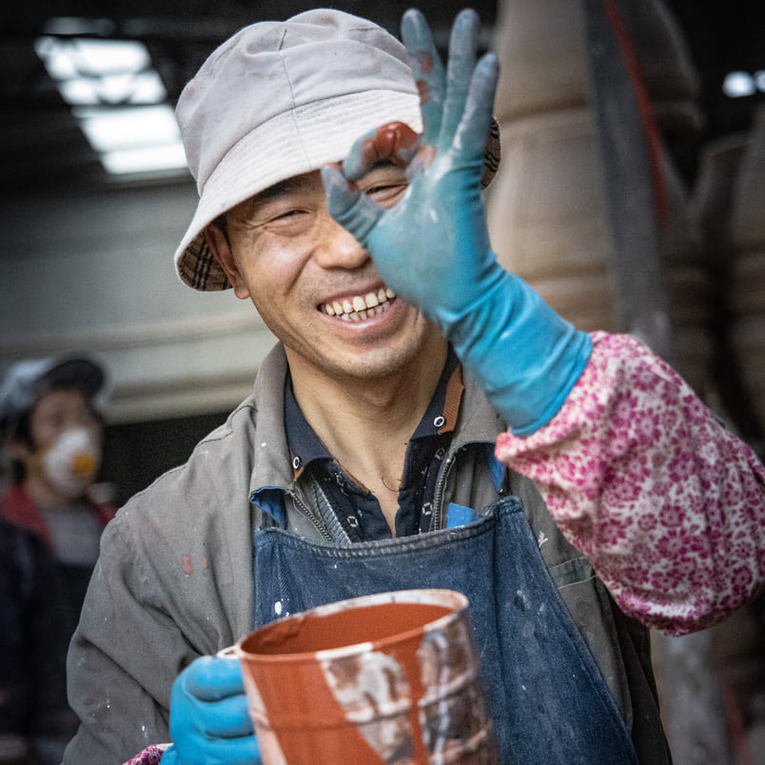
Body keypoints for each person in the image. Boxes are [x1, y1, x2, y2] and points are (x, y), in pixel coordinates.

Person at [62, 8, 765, 765]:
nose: (344, 244)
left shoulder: (576, 418)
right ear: (229, 262)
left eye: (382, 187)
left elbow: (720, 570)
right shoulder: (163, 546)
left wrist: (500, 319)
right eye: (288, 213)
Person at [0, 355, 115, 764]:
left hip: (114, 736)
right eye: (56, 420)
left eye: (84, 418)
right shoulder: (7, 535)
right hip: (38, 746)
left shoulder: (119, 527)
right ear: (15, 442)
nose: (78, 434)